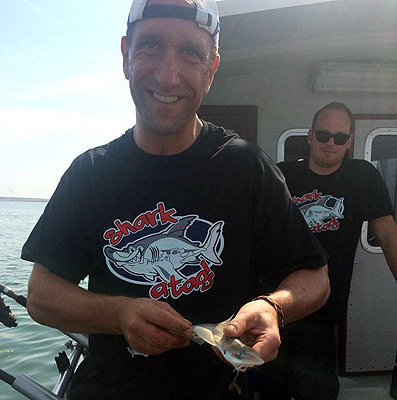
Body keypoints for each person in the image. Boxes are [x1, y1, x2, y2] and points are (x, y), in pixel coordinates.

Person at [21, 1, 330, 399]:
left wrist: (273, 307)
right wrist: (119, 314)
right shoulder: (91, 173)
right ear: (125, 55)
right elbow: (41, 296)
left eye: (190, 53)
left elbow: (314, 276)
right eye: (150, 46)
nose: (168, 76)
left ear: (212, 69)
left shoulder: (246, 168)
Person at [263, 102, 397, 400]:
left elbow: (388, 236)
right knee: (272, 390)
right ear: (310, 136)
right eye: (323, 134)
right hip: (278, 308)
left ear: (349, 141)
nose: (330, 143)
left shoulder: (363, 177)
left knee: (318, 391)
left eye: (340, 137)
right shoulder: (283, 175)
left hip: (324, 313)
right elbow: (259, 233)